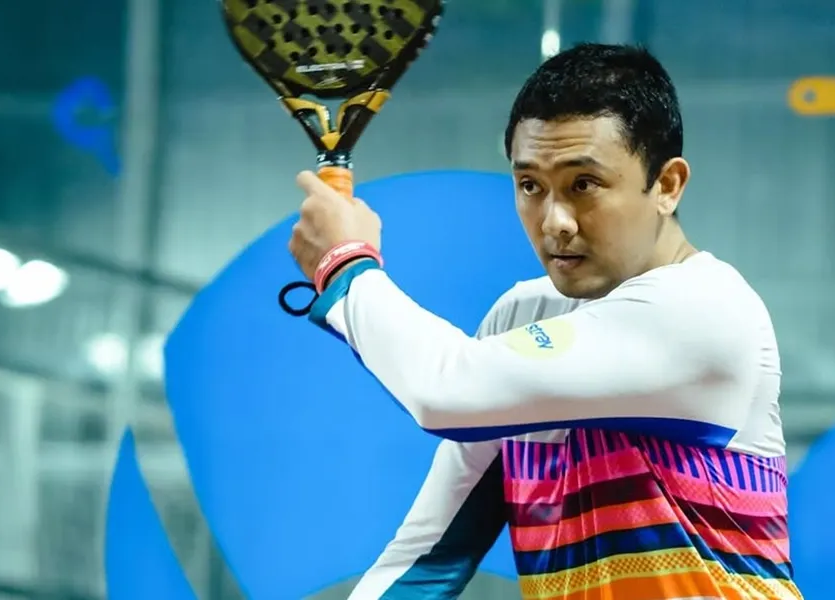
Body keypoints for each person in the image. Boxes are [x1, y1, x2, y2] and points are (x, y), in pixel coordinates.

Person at [288, 43, 801, 600]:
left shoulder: (706, 311)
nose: (554, 222)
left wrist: (344, 263)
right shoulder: (522, 313)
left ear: (668, 185)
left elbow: (443, 391)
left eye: (584, 184)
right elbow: (431, 556)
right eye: (530, 185)